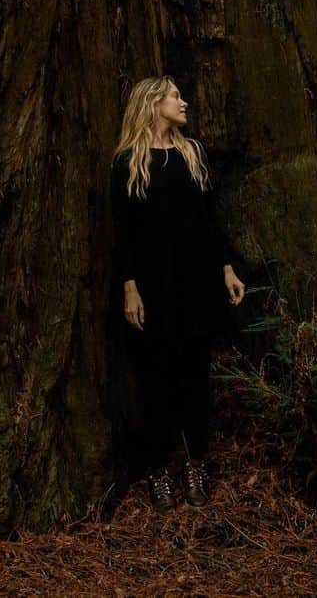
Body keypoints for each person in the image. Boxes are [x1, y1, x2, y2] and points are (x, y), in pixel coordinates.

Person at [109, 75, 246, 511]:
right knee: (155, 378)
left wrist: (226, 269)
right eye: (174, 96)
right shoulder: (128, 162)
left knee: (195, 375)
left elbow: (207, 220)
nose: (183, 102)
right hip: (153, 286)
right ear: (153, 103)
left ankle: (196, 465)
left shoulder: (191, 154)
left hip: (197, 281)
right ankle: (158, 470)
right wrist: (130, 289)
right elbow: (123, 235)